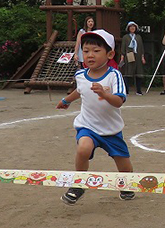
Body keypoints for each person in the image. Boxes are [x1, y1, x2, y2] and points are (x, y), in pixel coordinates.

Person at [57, 30, 135, 204]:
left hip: (111, 130)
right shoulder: (80, 75)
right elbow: (80, 90)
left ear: (110, 54)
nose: (90, 55)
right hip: (88, 126)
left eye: (96, 51)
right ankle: (79, 184)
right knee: (83, 148)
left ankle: (126, 184)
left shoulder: (114, 75)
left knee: (125, 167)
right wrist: (66, 100)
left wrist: (104, 94)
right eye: (86, 51)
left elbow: (119, 101)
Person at [120, 22, 145, 95]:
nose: (132, 28)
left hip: (138, 55)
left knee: (139, 73)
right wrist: (122, 58)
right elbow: (123, 48)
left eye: (133, 27)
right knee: (128, 73)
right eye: (130, 27)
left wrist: (142, 57)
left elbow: (141, 47)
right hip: (129, 55)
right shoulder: (125, 37)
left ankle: (139, 90)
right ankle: (126, 90)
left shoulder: (138, 37)